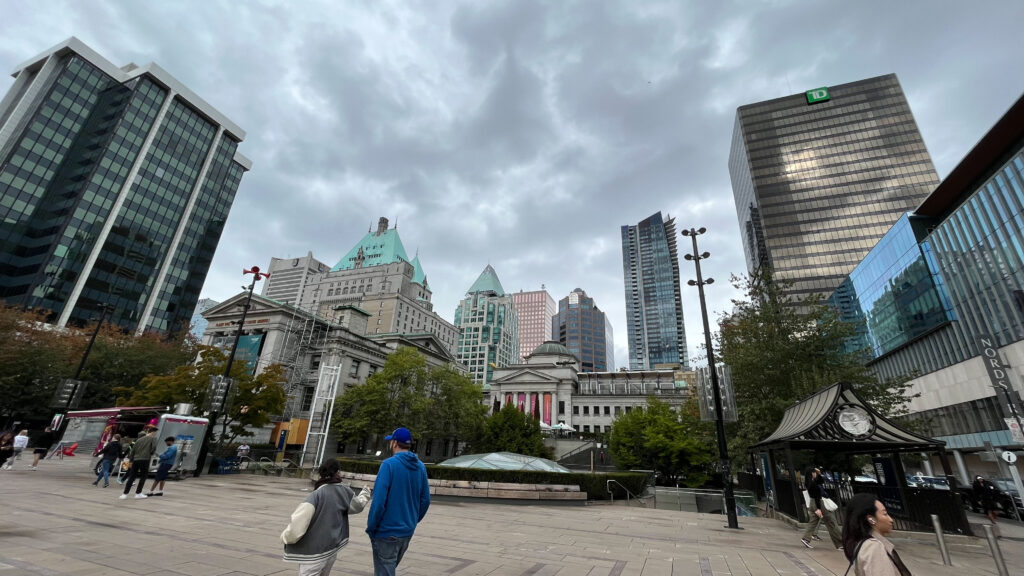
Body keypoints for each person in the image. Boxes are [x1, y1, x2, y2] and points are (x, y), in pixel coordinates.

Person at [282, 459, 371, 575]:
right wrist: (365, 492)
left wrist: (286, 537)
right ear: (338, 472)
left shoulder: (316, 495)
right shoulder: (344, 491)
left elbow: (298, 523)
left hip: (314, 553)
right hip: (332, 548)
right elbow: (358, 505)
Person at [366, 427, 431, 576]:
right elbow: (425, 500)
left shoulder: (388, 465)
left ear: (394, 443)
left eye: (391, 441)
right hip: (406, 531)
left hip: (386, 532)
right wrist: (413, 520)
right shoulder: (420, 467)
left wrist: (371, 527)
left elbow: (379, 501)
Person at [841, 493, 911, 575]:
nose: (891, 520)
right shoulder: (873, 547)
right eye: (885, 514)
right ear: (871, 519)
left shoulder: (866, 544)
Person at [800, 467, 842, 550]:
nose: (815, 473)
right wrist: (818, 509)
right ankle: (840, 543)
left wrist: (819, 473)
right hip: (819, 503)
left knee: (813, 522)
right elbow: (817, 497)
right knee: (831, 521)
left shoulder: (811, 482)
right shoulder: (813, 484)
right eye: (814, 472)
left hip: (814, 503)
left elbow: (821, 481)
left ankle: (806, 538)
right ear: (812, 473)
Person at [120, 428, 158, 500]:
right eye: (155, 433)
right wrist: (151, 454)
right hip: (145, 459)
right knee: (143, 476)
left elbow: (133, 450)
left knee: (132, 477)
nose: (155, 434)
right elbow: (153, 449)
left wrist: (131, 461)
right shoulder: (153, 439)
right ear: (153, 432)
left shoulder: (138, 440)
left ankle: (124, 494)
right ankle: (138, 493)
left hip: (135, 460)